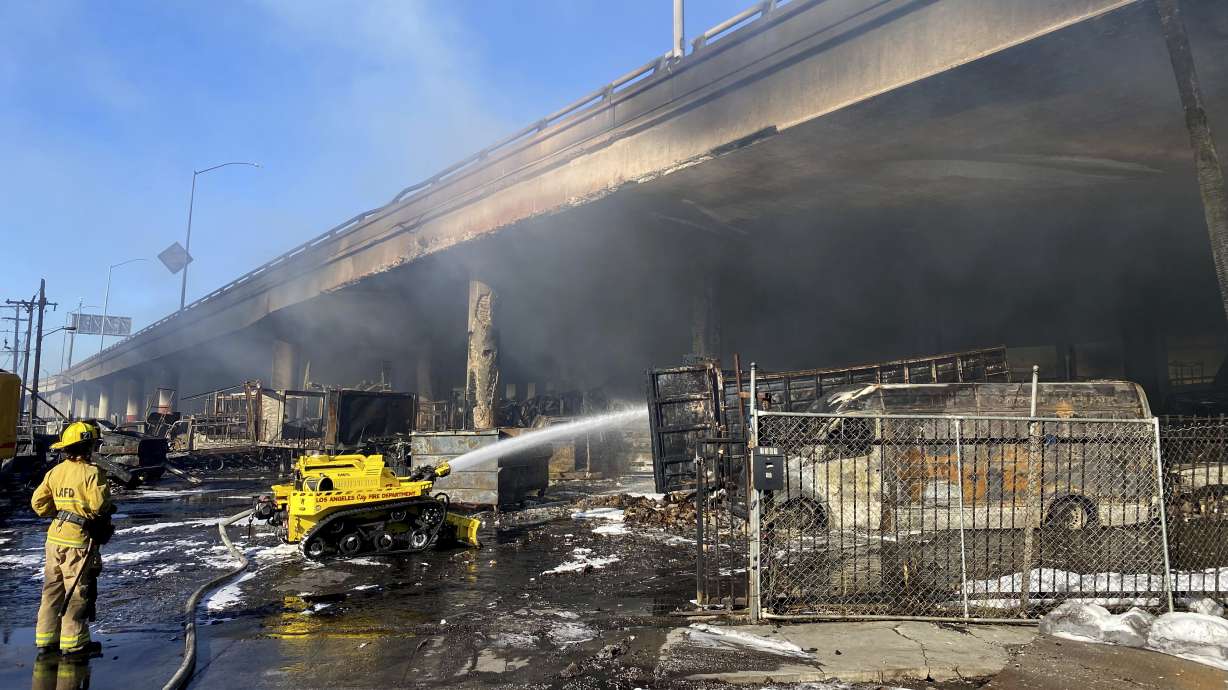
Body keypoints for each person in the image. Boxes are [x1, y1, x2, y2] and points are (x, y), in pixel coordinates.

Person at [30, 421, 114, 659]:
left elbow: (38, 504)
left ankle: (45, 640)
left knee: (51, 590)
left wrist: (59, 513)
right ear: (88, 447)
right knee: (77, 592)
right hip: (78, 543)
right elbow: (99, 506)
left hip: (54, 538)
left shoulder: (55, 472)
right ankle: (75, 643)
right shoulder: (92, 473)